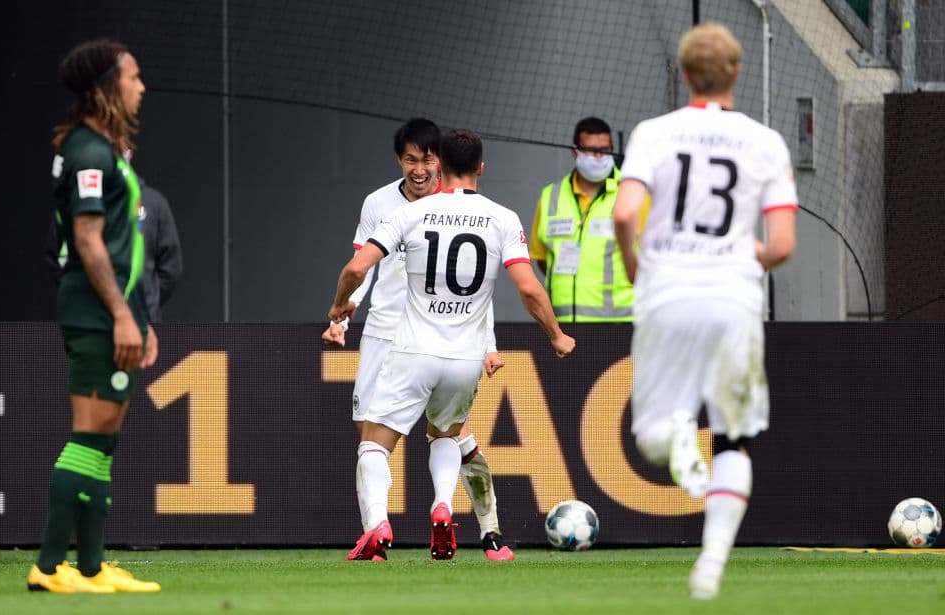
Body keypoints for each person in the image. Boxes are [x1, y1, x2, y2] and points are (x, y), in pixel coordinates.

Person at [328, 128, 575, 561]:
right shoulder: (503, 218)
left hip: (411, 350)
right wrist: (556, 335)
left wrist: (338, 307)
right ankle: (443, 506)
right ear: (481, 167)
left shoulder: (414, 213)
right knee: (445, 435)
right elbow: (530, 290)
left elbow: (356, 267)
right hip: (464, 358)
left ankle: (381, 524)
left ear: (439, 163)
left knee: (373, 443)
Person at [612, 22, 798, 600]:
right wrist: (747, 258)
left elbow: (624, 215)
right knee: (735, 438)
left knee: (647, 440)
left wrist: (636, 266)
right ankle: (711, 564)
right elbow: (784, 245)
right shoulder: (766, 142)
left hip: (667, 292)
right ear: (737, 72)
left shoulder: (654, 132)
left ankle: (674, 435)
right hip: (734, 301)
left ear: (686, 74)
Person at [27, 38, 162, 593]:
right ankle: (49, 565)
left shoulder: (105, 149)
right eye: (132, 76)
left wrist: (137, 316)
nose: (141, 86)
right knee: (89, 435)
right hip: (92, 314)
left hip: (111, 313)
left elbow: (117, 243)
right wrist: (121, 316)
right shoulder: (88, 151)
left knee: (103, 439)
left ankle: (89, 566)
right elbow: (87, 240)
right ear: (108, 85)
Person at [528, 117, 634, 322]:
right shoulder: (551, 196)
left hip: (620, 326)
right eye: (591, 150)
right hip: (563, 327)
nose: (599, 156)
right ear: (574, 151)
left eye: (605, 150)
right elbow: (542, 259)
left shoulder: (632, 194)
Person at [46, 177, 183, 322]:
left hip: (142, 322)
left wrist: (146, 300)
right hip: (88, 324)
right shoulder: (74, 203)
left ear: (129, 154)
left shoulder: (153, 203)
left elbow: (170, 267)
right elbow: (56, 256)